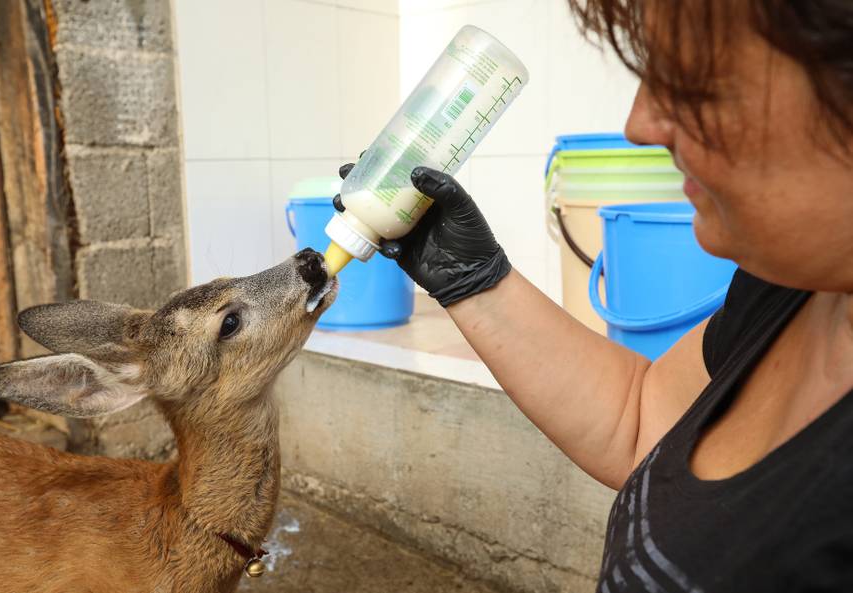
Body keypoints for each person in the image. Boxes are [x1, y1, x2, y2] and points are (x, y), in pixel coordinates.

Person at [336, 1, 853, 591]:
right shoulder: (792, 292)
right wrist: (474, 280)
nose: (640, 123)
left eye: (699, 82)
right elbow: (640, 417)